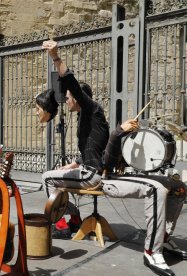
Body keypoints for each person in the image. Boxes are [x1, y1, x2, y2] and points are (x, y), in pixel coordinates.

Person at [100, 119, 187, 276]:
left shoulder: (100, 121)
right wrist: (118, 132)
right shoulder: (93, 119)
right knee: (157, 190)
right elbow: (104, 163)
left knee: (178, 187)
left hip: (119, 175)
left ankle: (163, 237)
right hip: (105, 179)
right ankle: (151, 252)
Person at [41, 40, 109, 238]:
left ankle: (60, 225)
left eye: (69, 97)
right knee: (60, 177)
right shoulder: (86, 116)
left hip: (92, 175)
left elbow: (71, 82)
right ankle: (76, 219)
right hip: (87, 170)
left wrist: (55, 57)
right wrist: (73, 164)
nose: (67, 100)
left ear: (79, 99)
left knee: (47, 179)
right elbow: (95, 147)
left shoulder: (91, 109)